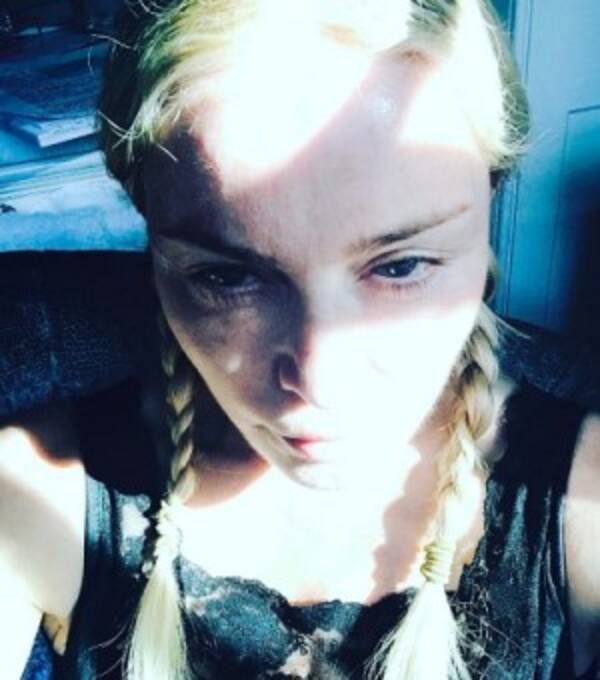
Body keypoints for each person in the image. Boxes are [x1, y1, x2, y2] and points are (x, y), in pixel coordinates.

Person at [2, 0, 599, 678]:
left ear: (488, 210)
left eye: (401, 266)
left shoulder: (584, 513)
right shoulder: (30, 494)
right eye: (227, 277)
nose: (319, 381)